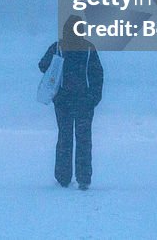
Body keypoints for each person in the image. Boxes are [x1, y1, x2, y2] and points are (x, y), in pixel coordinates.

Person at [38, 15, 103, 190]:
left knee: (64, 138)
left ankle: (63, 177)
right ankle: (83, 178)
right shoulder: (88, 48)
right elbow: (97, 74)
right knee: (84, 139)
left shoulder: (58, 47)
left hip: (63, 101)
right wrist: (94, 98)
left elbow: (42, 65)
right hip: (85, 102)